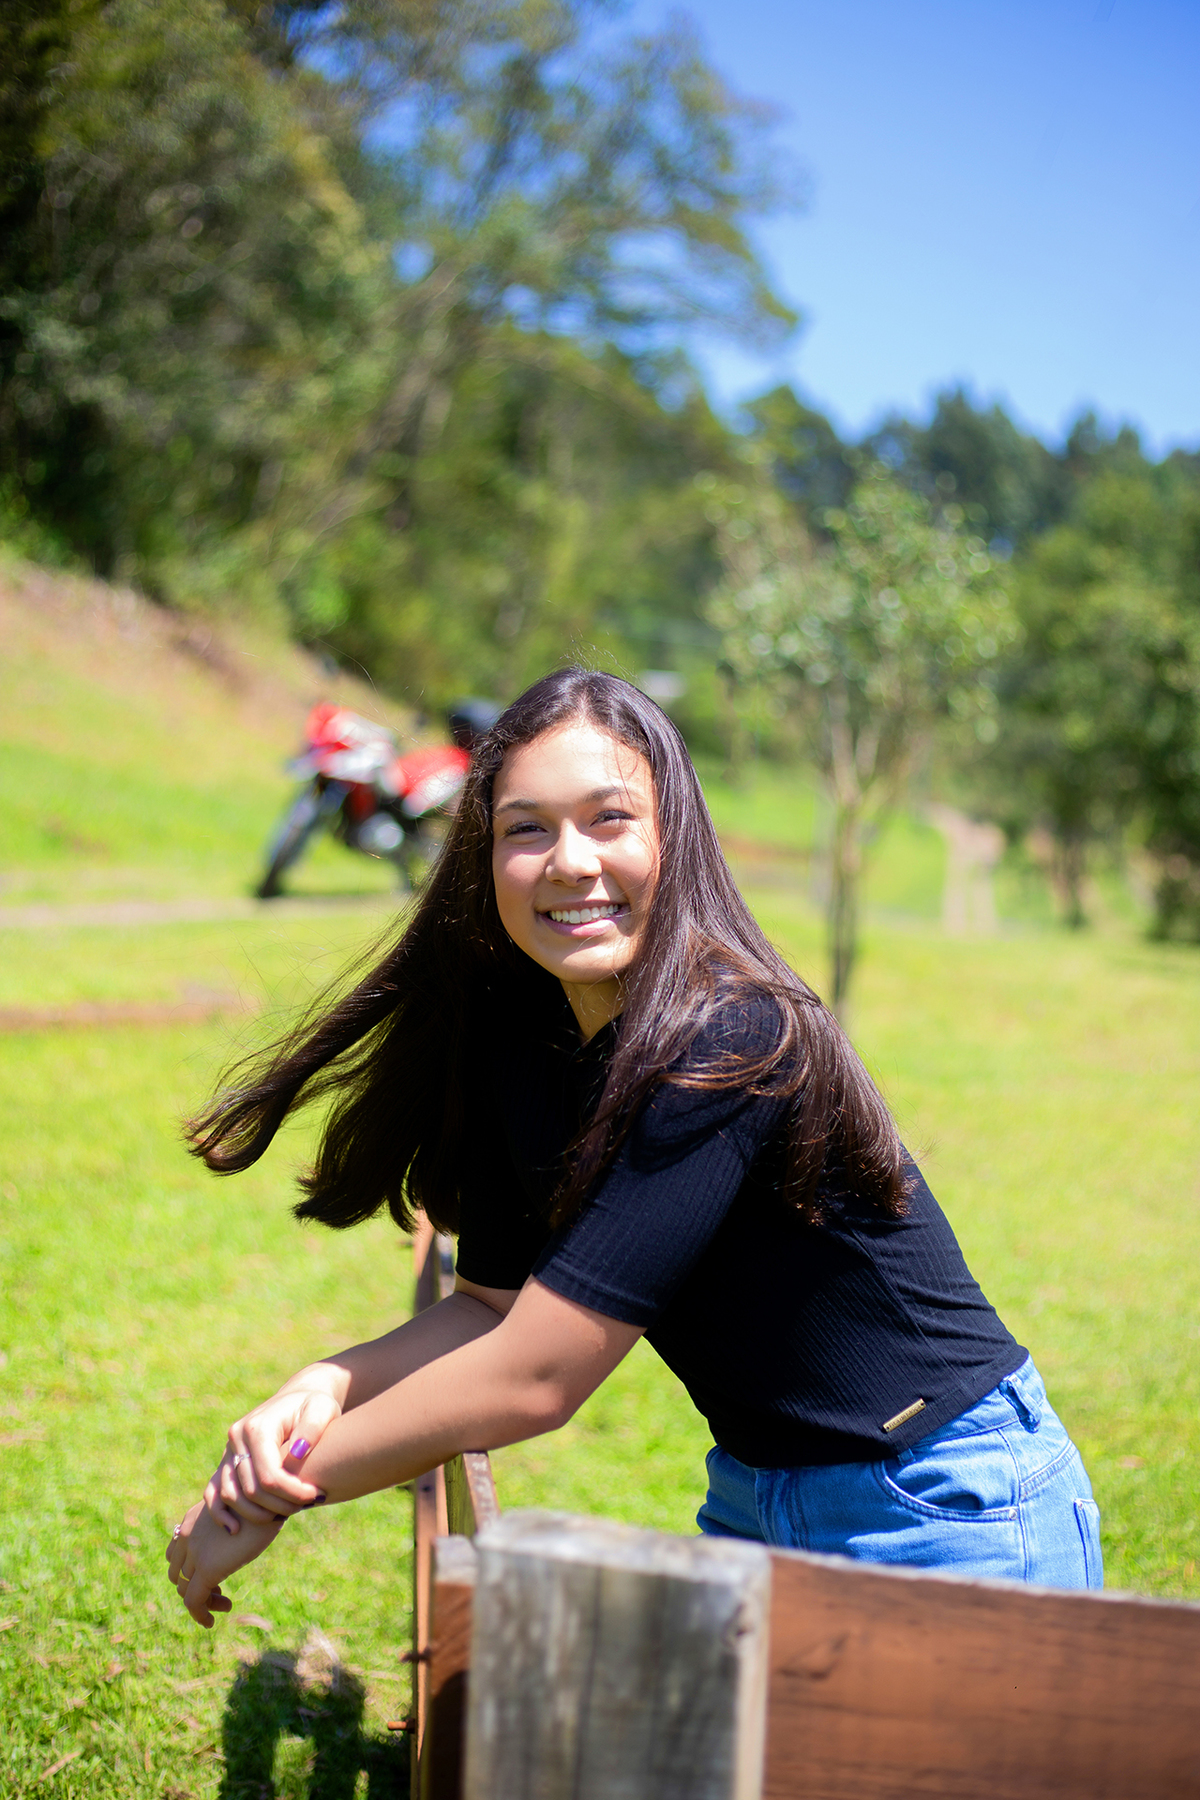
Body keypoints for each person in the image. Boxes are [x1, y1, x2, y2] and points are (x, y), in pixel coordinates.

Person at [166, 669, 1102, 1626]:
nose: (570, 861)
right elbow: (493, 1310)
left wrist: (276, 1488)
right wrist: (321, 1383)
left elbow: (539, 1376)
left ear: (674, 837)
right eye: (527, 828)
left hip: (942, 1497)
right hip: (759, 1489)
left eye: (609, 819)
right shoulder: (524, 1045)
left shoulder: (732, 1038)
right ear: (484, 860)